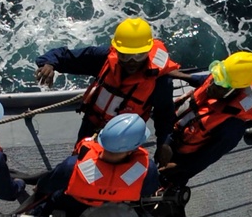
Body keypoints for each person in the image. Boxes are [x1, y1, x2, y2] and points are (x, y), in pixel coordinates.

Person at [36, 16, 180, 147]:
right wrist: (49, 64)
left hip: (126, 137)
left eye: (138, 56)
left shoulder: (159, 80)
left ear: (147, 52)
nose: (131, 62)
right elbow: (64, 56)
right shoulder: (103, 59)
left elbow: (165, 116)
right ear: (117, 52)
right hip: (93, 125)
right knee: (81, 159)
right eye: (125, 56)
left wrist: (164, 145)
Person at [158, 51, 252, 185]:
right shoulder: (224, 79)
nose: (211, 85)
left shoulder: (232, 127)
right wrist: (178, 75)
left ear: (235, 91)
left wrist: (179, 167)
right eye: (215, 77)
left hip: (185, 156)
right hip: (173, 133)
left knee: (171, 180)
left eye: (219, 84)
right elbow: (204, 81)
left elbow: (208, 156)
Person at [32, 113, 160, 216]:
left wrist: (40, 187)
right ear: (132, 149)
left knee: (48, 203)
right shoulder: (148, 170)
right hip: (115, 211)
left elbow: (46, 185)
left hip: (72, 207)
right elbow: (147, 191)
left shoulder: (72, 166)